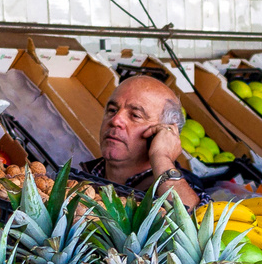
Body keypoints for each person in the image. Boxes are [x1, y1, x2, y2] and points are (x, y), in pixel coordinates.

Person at [81, 75, 201, 207]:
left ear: (163, 132)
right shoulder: (80, 177)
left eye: (135, 115)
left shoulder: (187, 191)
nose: (115, 120)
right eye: (112, 110)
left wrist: (161, 157)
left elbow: (189, 221)